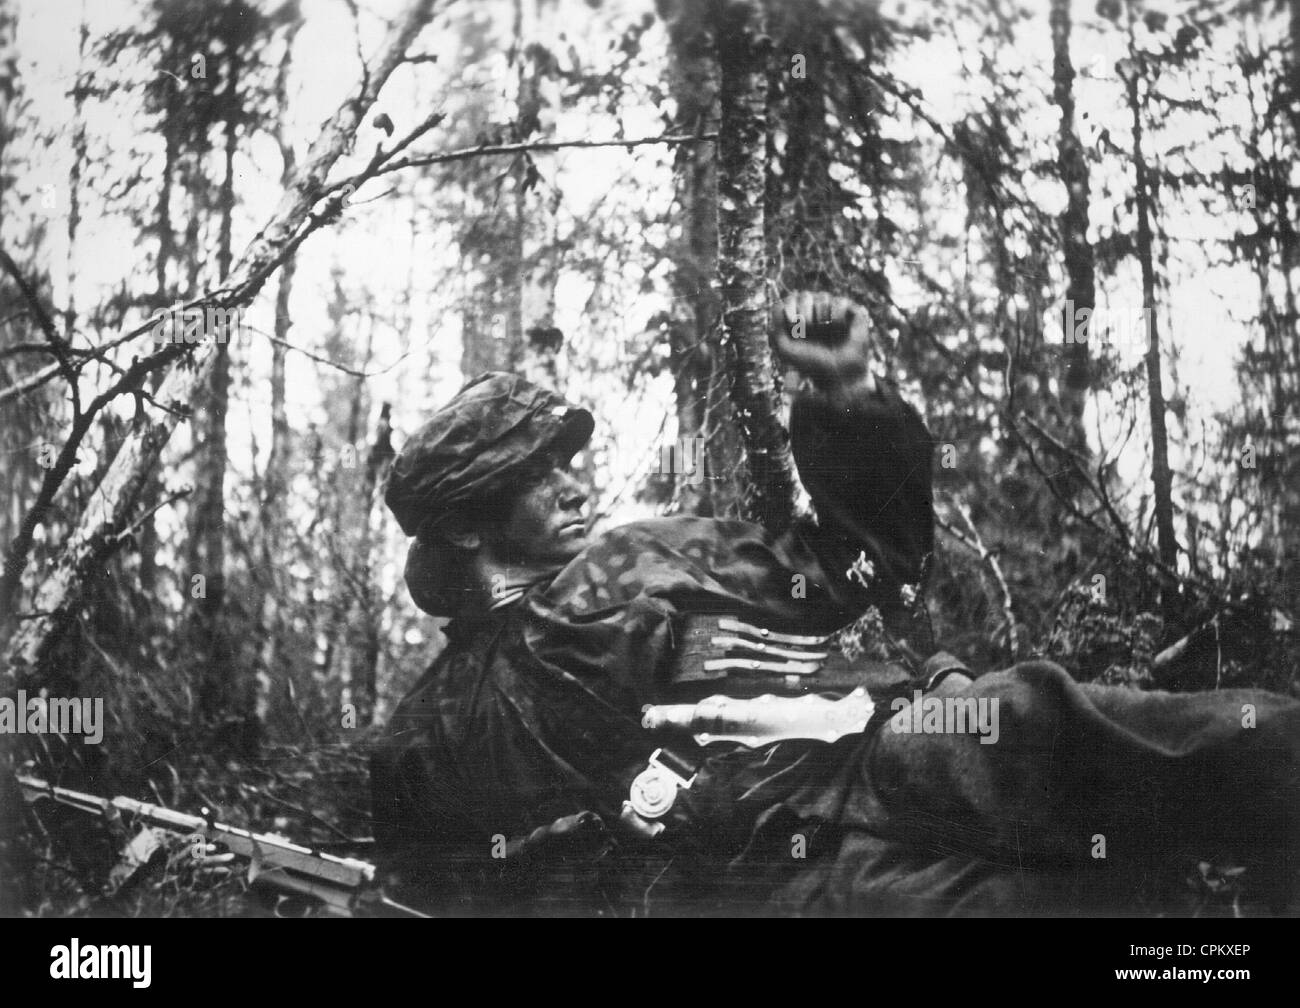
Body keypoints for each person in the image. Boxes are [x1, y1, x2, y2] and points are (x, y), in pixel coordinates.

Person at [371, 293, 1300, 917]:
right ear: (460, 528)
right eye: (534, 476)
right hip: (784, 885)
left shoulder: (635, 559)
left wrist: (846, 398)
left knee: (1216, 747)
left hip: (892, 747)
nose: (572, 486)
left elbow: (859, 568)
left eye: (564, 460)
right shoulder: (431, 734)